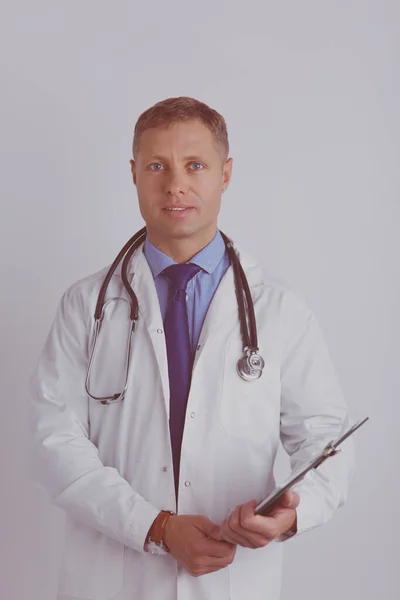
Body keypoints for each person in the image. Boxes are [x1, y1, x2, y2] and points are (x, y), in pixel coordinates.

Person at [29, 96, 355, 600]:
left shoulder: (280, 311)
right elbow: (55, 443)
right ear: (134, 173)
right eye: (157, 165)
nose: (175, 183)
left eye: (195, 165)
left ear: (225, 175)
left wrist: (294, 511)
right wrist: (155, 526)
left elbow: (324, 434)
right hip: (114, 578)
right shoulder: (85, 307)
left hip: (234, 577)